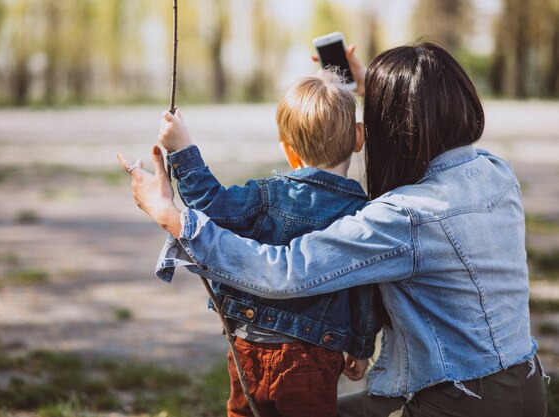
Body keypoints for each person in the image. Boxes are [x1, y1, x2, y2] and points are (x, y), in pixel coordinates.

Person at [118, 42, 548, 417]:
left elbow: (285, 271)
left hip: (456, 401)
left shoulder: (406, 216)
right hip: (526, 386)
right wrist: (373, 88)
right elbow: (424, 122)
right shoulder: (493, 171)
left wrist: (171, 217)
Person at [154, 70, 384, 417]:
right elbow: (366, 292)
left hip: (246, 346)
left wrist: (183, 150)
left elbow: (209, 205)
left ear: (287, 149)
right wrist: (362, 348)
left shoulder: (266, 196)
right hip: (312, 358)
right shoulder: (363, 215)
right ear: (358, 137)